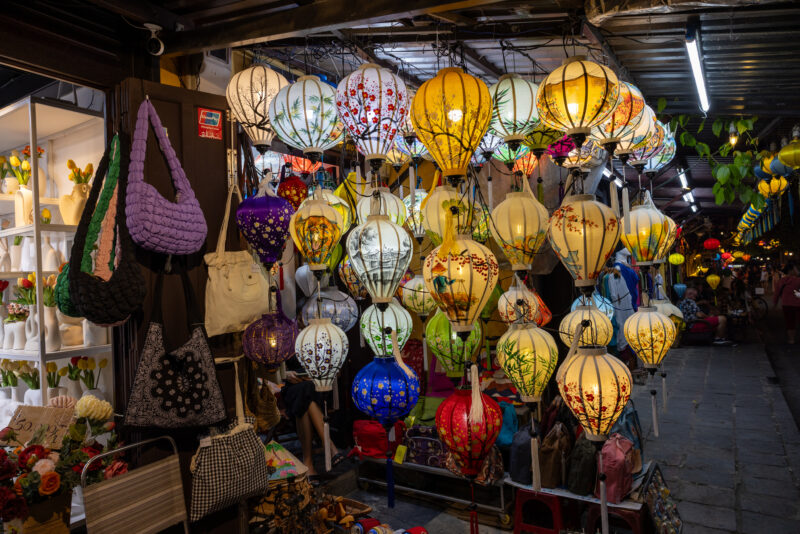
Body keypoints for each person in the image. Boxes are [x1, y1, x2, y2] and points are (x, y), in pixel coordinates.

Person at [773, 262, 800, 344]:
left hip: (786, 304)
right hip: (798, 304)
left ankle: (791, 339)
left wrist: (775, 304)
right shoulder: (798, 280)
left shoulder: (781, 281)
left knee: (790, 322)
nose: (797, 270)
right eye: (795, 268)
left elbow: (777, 293)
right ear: (791, 270)